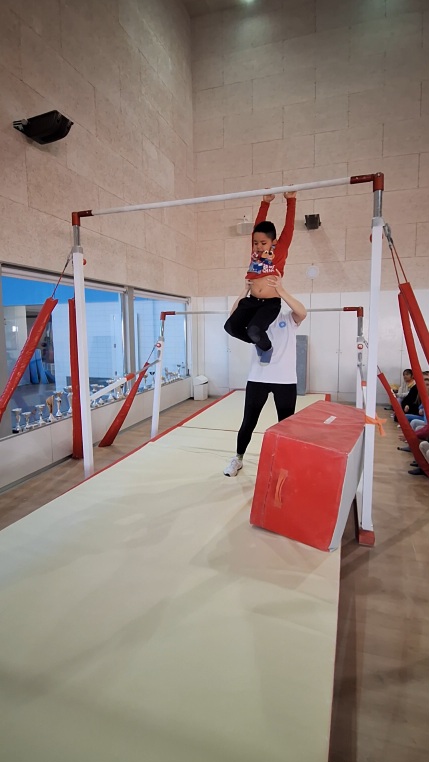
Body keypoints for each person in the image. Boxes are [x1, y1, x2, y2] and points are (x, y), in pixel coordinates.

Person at [224, 274, 307, 477]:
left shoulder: (287, 318)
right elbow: (233, 318)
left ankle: (285, 462)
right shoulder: (255, 320)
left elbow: (302, 312)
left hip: (284, 379)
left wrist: (280, 290)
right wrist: (245, 289)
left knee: (286, 424)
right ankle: (238, 458)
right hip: (258, 378)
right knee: (248, 422)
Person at [224, 191, 297, 366]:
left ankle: (266, 347)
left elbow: (289, 227)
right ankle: (258, 341)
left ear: (273, 242)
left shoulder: (281, 249)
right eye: (256, 243)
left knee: (254, 330)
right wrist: (265, 203)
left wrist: (291, 200)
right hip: (252, 300)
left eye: (263, 243)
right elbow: (257, 226)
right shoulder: (255, 251)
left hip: (270, 303)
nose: (258, 246)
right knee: (230, 327)